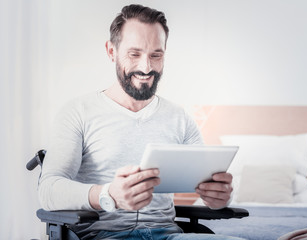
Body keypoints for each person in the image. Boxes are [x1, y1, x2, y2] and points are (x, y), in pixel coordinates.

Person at [38, 4, 239, 240]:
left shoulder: (180, 118)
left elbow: (208, 184)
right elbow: (48, 189)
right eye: (134, 54)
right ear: (111, 51)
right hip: (103, 235)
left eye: (156, 55)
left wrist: (221, 197)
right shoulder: (78, 112)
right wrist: (107, 194)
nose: (146, 67)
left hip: (168, 235)